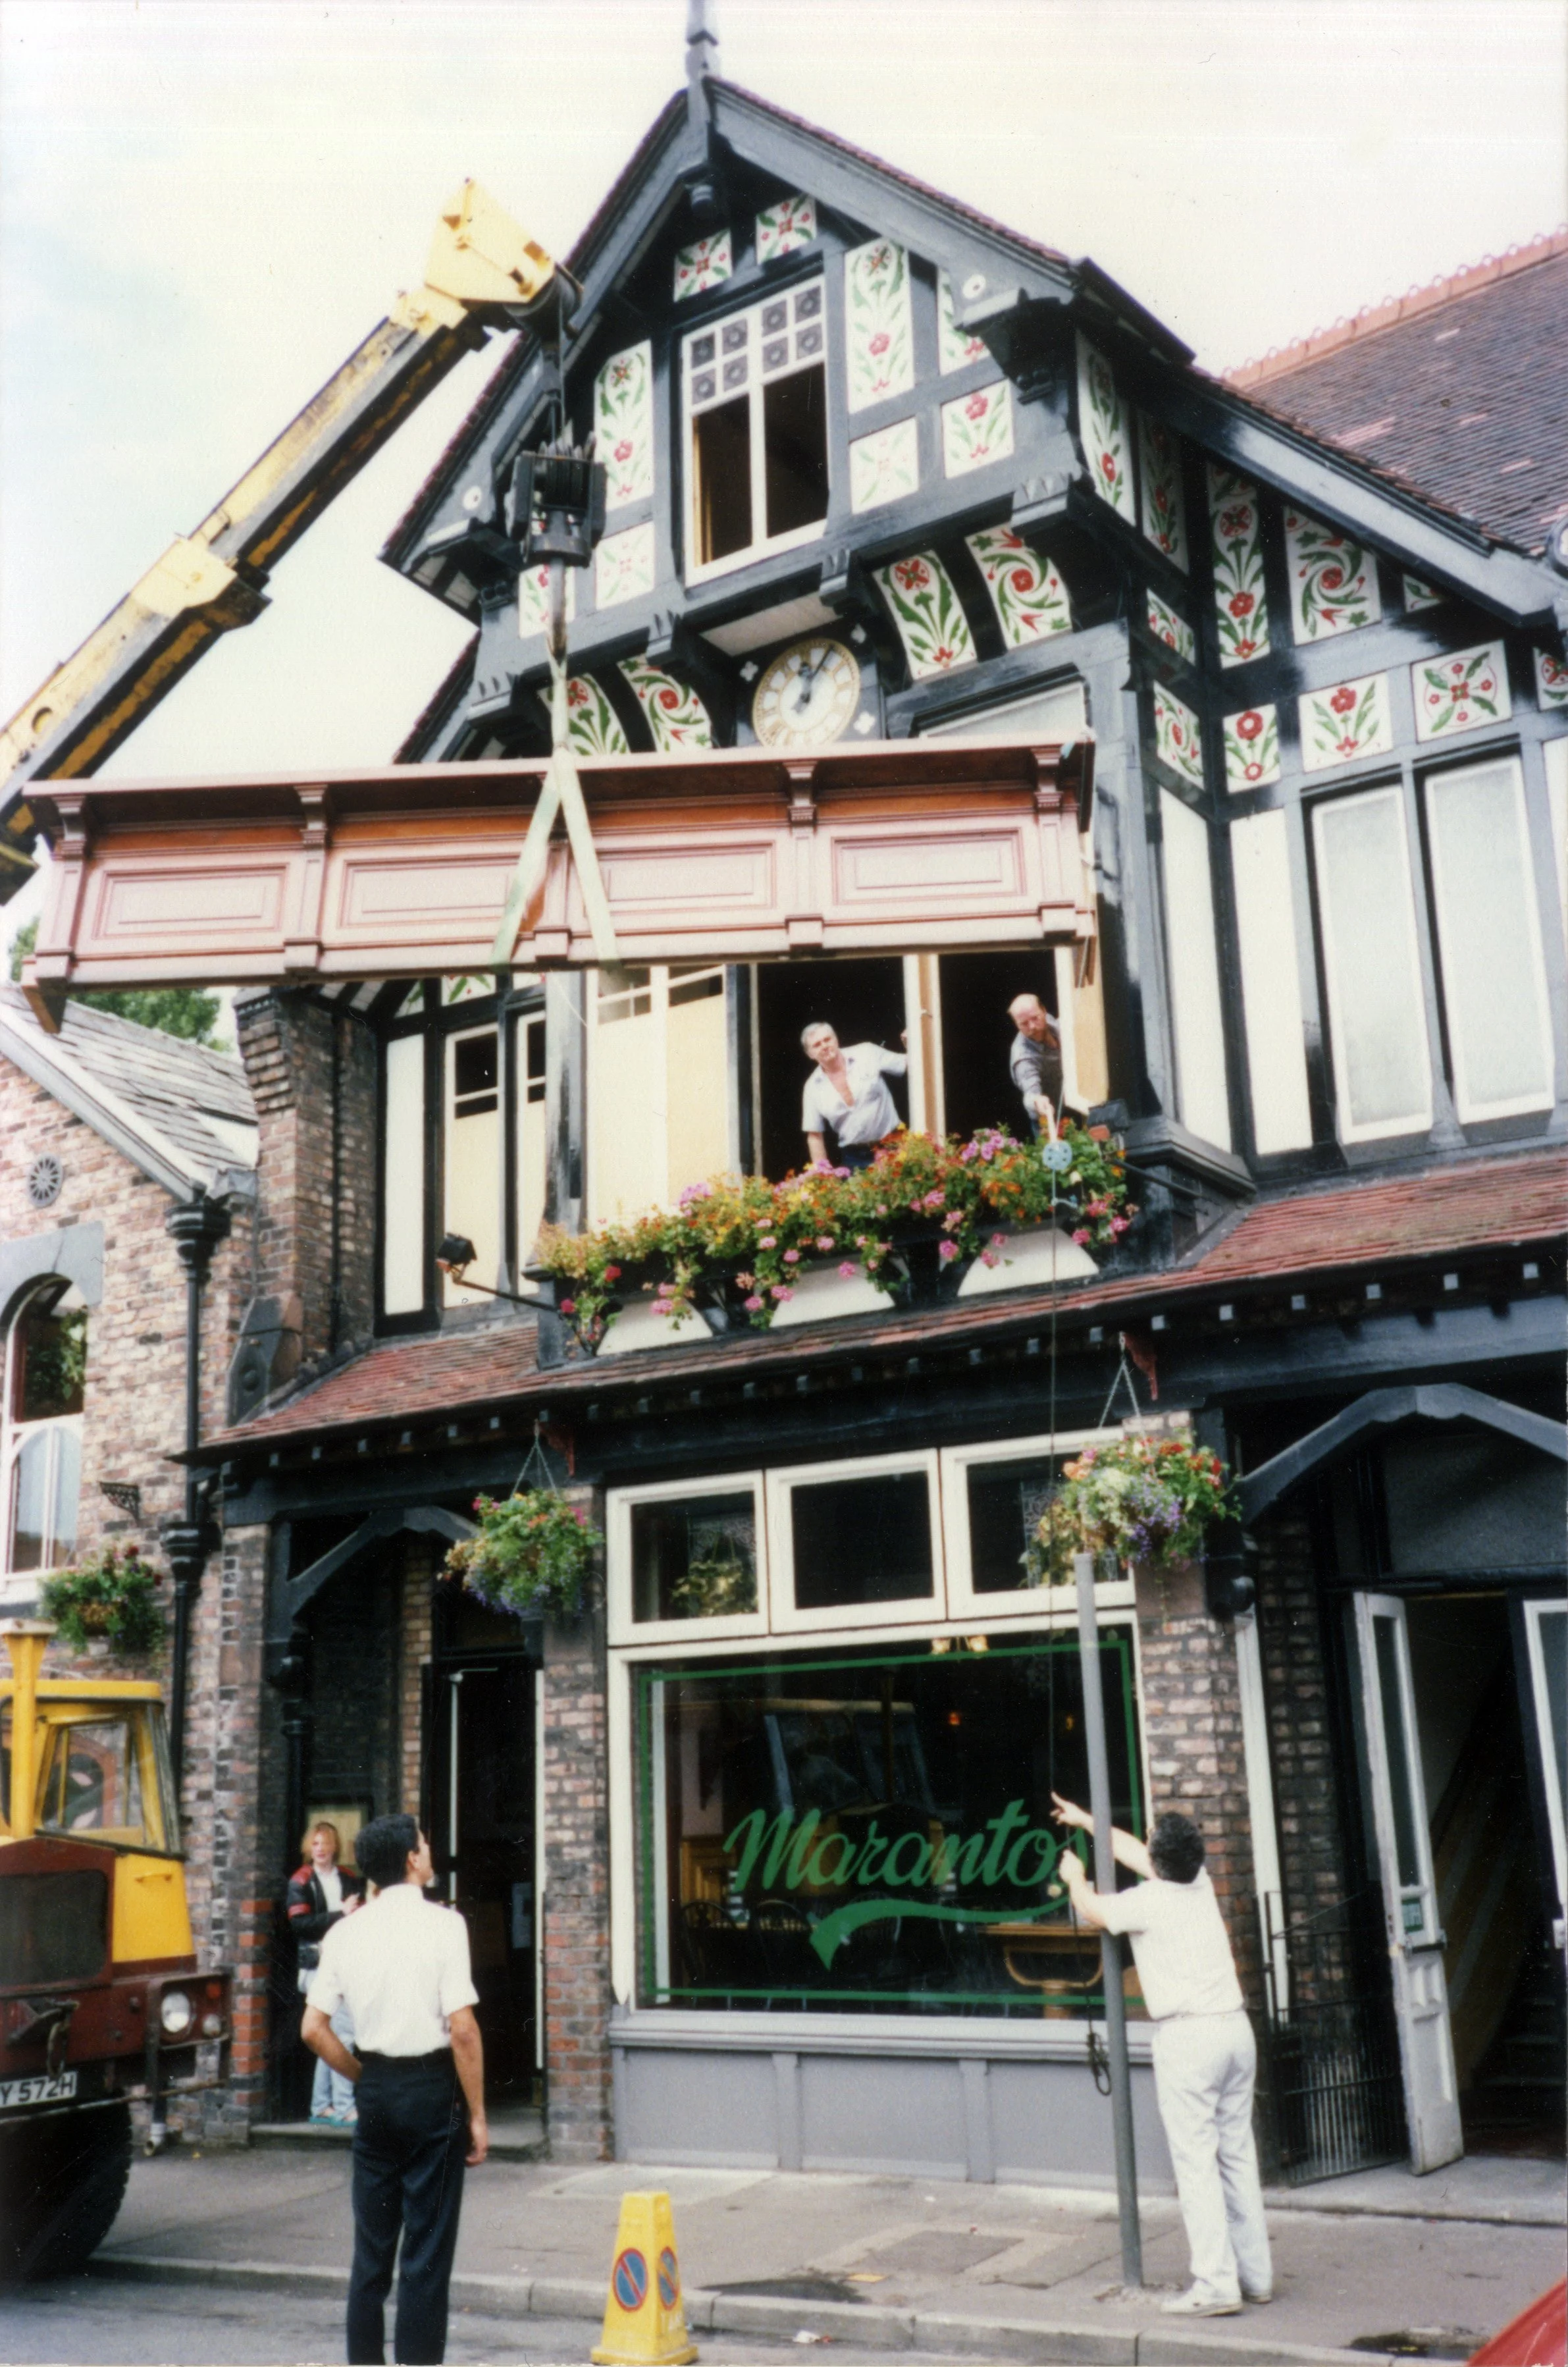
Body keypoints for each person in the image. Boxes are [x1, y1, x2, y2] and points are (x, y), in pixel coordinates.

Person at [1051, 1794, 1272, 2320]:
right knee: (1237, 2155)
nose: (1144, 1846)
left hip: (1189, 2039)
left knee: (1196, 2164)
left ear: (1160, 1859)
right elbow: (1133, 1851)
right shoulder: (1199, 1883)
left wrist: (1075, 1877)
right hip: (1234, 2029)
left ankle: (1216, 2284)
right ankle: (1256, 2275)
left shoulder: (1148, 1901)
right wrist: (1086, 1821)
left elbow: (1093, 1909)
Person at [303, 1815, 488, 2367]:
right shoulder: (446, 1924)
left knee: (371, 2251)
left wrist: (364, 2076)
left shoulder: (345, 1931)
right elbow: (463, 2029)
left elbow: (313, 2028)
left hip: (378, 2092)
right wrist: (478, 2113)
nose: (429, 1850)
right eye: (424, 1843)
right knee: (426, 2252)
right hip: (433, 2090)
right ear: (411, 1858)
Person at [286, 1820, 365, 2124]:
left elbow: (359, 1917)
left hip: (343, 1963)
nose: (320, 1849)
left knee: (328, 2037)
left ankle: (320, 2106)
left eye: (326, 1843)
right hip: (316, 1966)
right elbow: (299, 1924)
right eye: (315, 1843)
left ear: (335, 1847)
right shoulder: (300, 1880)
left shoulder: (348, 1878)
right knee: (343, 2034)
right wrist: (340, 1914)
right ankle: (344, 2108)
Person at [800, 1023, 907, 1170]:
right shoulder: (812, 1088)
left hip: (894, 1145)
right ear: (810, 1054)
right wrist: (823, 1174)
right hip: (855, 1159)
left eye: (827, 1039)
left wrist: (912, 1042)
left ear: (836, 1039)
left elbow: (908, 1064)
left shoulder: (867, 1052)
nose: (824, 1046)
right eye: (817, 1045)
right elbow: (814, 1135)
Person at [1008, 994, 1063, 1138]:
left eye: (1035, 1018)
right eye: (1024, 1024)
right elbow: (1030, 1093)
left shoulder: (1050, 1021)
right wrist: (1037, 1101)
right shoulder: (1023, 1057)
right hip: (1048, 1120)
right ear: (1017, 1025)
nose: (1032, 1026)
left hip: (1073, 1102)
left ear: (1044, 1011)